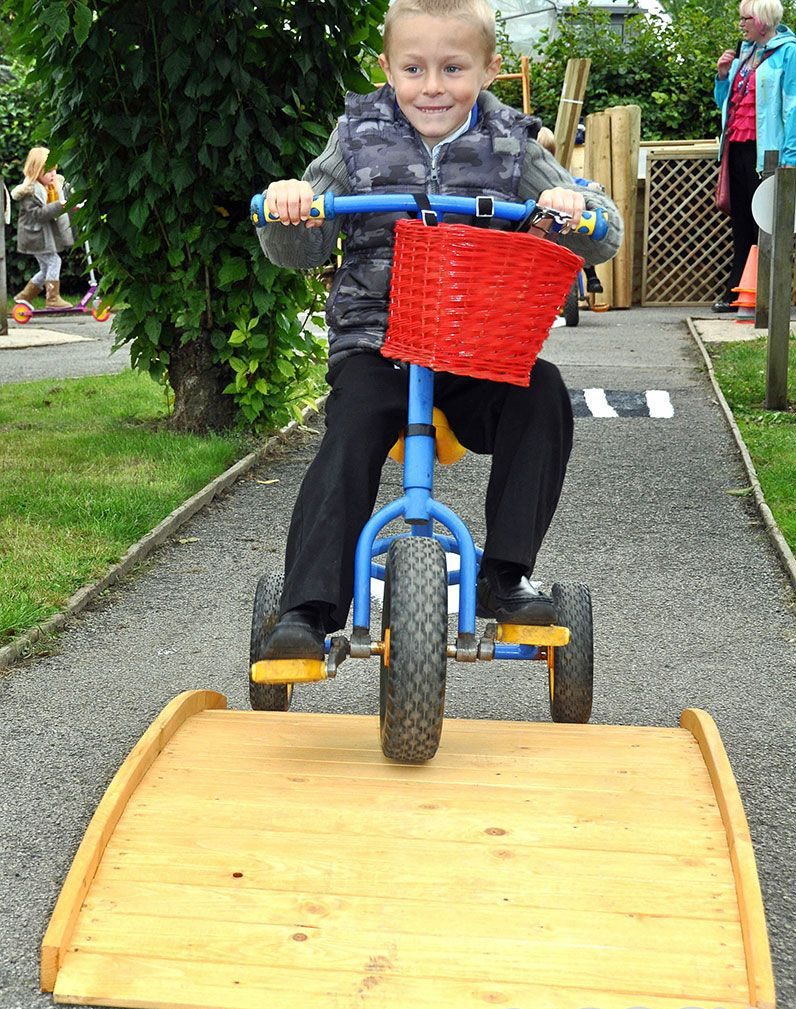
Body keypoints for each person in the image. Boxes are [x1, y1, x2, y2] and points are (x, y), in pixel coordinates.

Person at [257, 0, 623, 660]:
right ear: (386, 69)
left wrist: (573, 208)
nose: (432, 87)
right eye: (414, 69)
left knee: (543, 392)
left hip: (476, 345)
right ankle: (307, 609)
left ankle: (504, 575)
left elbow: (601, 234)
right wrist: (292, 211)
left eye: (453, 68)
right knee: (350, 428)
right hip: (378, 344)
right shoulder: (356, 136)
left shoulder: (514, 142)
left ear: (489, 70)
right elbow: (301, 249)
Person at [713, 0, 796, 313]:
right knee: (742, 222)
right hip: (737, 147)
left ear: (762, 20)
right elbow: (727, 103)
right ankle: (739, 291)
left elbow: (793, 107)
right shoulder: (745, 53)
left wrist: (790, 156)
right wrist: (723, 76)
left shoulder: (788, 53)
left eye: (746, 18)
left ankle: (765, 297)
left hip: (769, 153)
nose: (741, 24)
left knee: (767, 223)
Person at [535, 126, 604, 295]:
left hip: (557, 226)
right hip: (535, 227)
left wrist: (590, 185)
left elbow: (572, 182)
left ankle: (591, 275)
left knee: (579, 237)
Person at [11, 146, 75, 309]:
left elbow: (63, 203)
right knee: (54, 261)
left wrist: (72, 206)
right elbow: (38, 215)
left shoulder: (53, 187)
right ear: (36, 172)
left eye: (54, 170)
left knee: (46, 267)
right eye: (48, 171)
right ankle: (52, 299)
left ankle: (24, 296)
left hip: (44, 235)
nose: (53, 174)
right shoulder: (29, 192)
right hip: (35, 237)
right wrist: (59, 205)